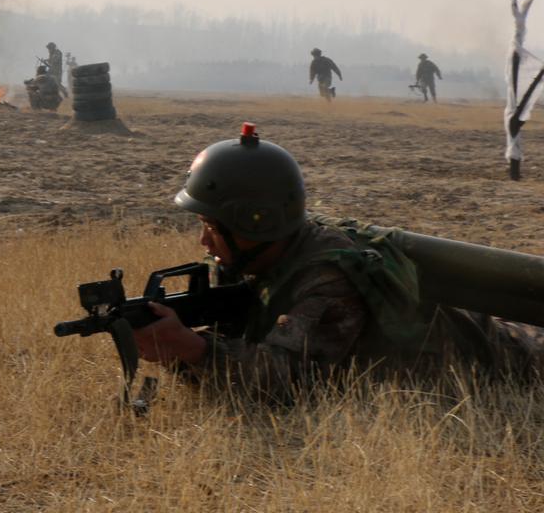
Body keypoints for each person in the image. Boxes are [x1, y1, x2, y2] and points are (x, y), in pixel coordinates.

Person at [131, 124, 544, 400]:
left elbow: (289, 384)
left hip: (514, 362)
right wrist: (181, 351)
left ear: (257, 222)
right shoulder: (269, 260)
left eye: (213, 226)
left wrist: (193, 347)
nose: (204, 240)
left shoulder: (328, 278)